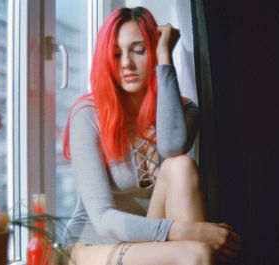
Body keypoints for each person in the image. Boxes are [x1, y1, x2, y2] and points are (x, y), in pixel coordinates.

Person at [61, 7, 241, 265]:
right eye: (115, 53)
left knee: (180, 166)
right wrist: (192, 231)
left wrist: (165, 55)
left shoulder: (185, 111)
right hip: (91, 245)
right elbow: (102, 218)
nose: (126, 63)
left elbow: (172, 147)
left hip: (147, 241)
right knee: (199, 252)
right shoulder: (88, 114)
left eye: (138, 50)